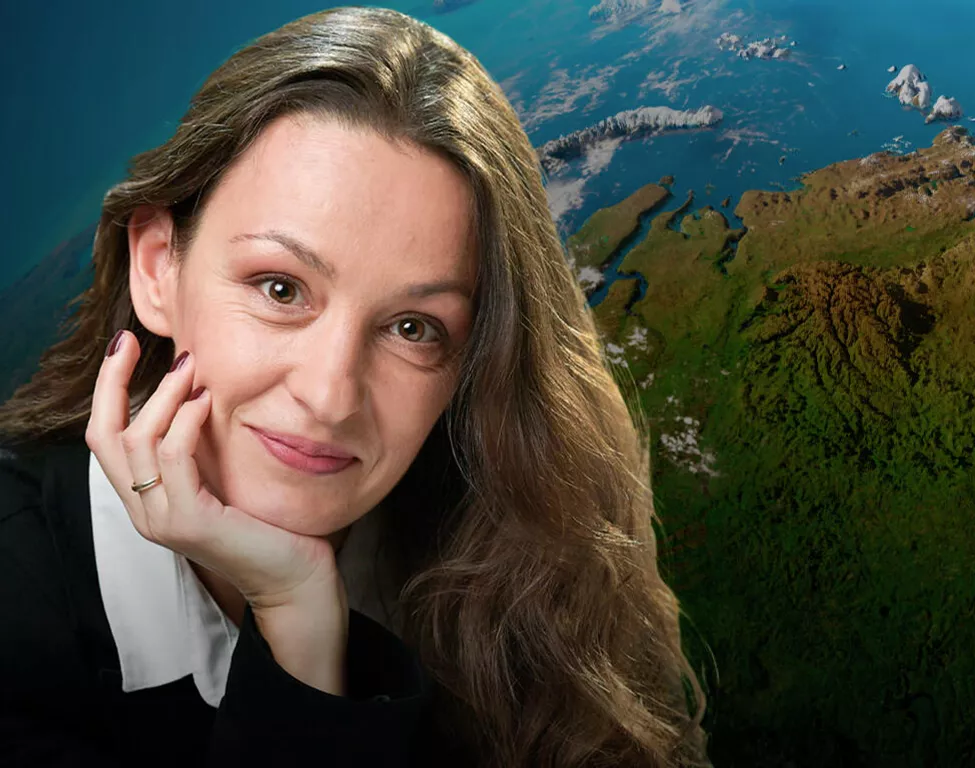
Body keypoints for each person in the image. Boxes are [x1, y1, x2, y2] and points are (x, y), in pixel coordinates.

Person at [0, 6, 708, 767]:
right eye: (280, 289)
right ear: (157, 268)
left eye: (413, 328)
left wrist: (295, 602)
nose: (331, 396)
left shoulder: (508, 559)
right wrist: (295, 619)